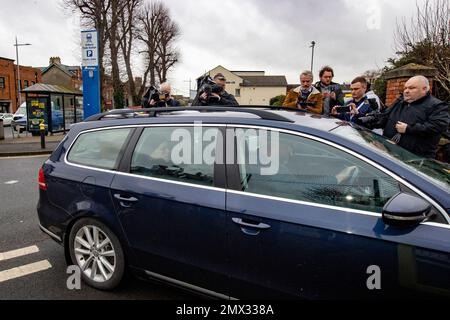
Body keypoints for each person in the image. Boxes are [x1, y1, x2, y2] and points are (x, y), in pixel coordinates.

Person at [365, 75, 449, 158]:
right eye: (405, 88)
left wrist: (409, 128)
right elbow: (384, 118)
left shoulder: (437, 106)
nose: (406, 91)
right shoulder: (400, 102)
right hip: (388, 153)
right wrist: (366, 120)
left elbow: (438, 126)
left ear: (425, 89)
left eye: (412, 88)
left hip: (414, 160)